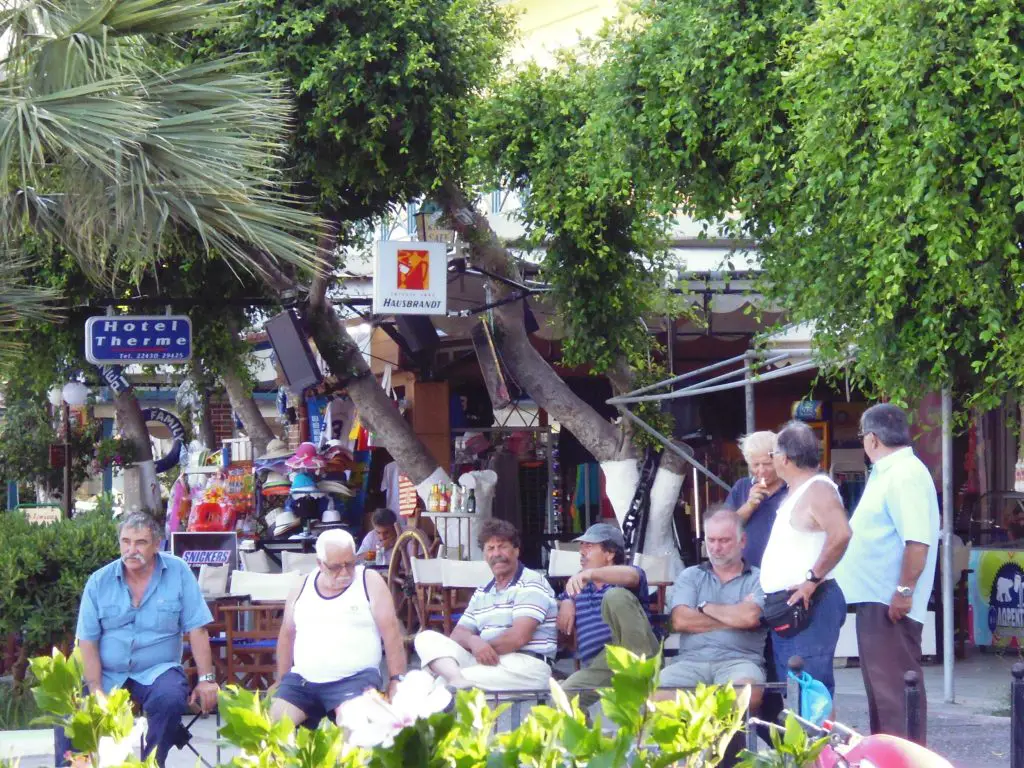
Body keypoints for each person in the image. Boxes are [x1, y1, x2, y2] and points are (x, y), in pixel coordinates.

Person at [57, 512, 219, 768]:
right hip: (108, 672)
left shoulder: (178, 572)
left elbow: (197, 628)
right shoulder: (99, 581)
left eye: (141, 542)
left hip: (158, 670)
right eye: (126, 541)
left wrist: (207, 679)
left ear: (157, 544)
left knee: (170, 698)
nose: (132, 550)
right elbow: (87, 641)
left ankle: (151, 763)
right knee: (70, 705)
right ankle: (74, 766)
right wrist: (96, 687)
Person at [834, 404, 939, 742]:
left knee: (895, 696)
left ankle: (906, 760)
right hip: (876, 600)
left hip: (889, 604)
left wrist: (903, 592)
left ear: (873, 438)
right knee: (883, 699)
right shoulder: (889, 472)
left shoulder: (905, 473)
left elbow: (917, 542)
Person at [270, 528, 407, 726]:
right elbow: (287, 634)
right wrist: (282, 679)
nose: (344, 572)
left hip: (355, 679)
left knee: (354, 726)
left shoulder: (369, 581)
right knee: (271, 730)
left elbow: (392, 632)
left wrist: (397, 679)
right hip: (303, 681)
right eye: (335, 567)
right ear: (320, 564)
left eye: (350, 564)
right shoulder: (302, 585)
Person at [760, 421, 852, 696]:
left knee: (812, 689)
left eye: (773, 455)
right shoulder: (798, 490)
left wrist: (811, 580)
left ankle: (819, 741)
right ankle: (809, 739)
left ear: (785, 458)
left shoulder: (818, 489)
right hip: (790, 607)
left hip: (811, 603)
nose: (772, 460)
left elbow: (842, 533)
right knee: (799, 690)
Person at [414, 519, 557, 691]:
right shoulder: (483, 591)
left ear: (516, 550)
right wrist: (474, 642)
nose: (496, 553)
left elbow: (518, 637)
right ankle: (456, 678)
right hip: (489, 660)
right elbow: (458, 634)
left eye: (502, 546)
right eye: (490, 548)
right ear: (484, 556)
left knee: (438, 687)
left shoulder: (532, 582)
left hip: (526, 665)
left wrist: (481, 647)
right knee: (425, 637)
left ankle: (455, 680)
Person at [658, 507, 767, 711]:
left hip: (739, 662)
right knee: (658, 696)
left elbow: (750, 617)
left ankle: (722, 742)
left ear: (742, 541)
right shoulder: (691, 576)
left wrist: (704, 607)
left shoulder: (759, 578)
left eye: (724, 540)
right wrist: (735, 614)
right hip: (690, 663)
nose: (716, 548)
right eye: (711, 540)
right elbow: (681, 620)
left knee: (746, 695)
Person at [557, 523, 659, 709]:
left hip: (636, 655)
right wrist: (566, 601)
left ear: (610, 553)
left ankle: (637, 674)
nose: (581, 552)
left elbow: (632, 576)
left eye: (589, 546)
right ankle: (586, 739)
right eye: (581, 546)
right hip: (600, 665)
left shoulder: (627, 576)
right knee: (564, 696)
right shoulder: (577, 585)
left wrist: (591, 574)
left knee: (615, 596)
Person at [725, 430, 787, 568]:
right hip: (747, 574)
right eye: (755, 465)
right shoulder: (741, 486)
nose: (761, 470)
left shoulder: (792, 488)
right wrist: (749, 506)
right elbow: (725, 528)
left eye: (767, 464)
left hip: (783, 574)